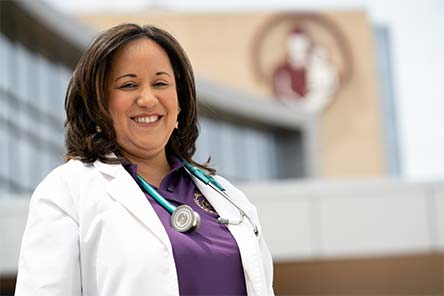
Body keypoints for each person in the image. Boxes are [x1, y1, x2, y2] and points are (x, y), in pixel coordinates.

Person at [14, 23, 274, 295]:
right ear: (98, 103)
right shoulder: (68, 192)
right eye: (129, 85)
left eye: (160, 83)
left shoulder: (230, 198)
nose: (148, 99)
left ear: (180, 100)